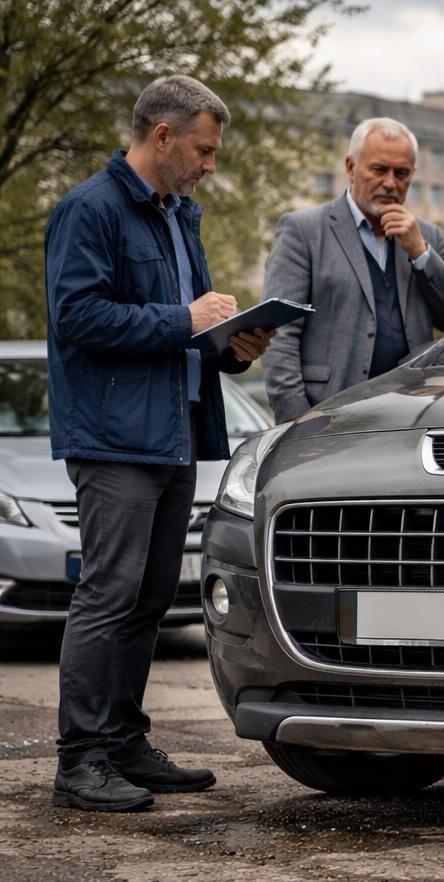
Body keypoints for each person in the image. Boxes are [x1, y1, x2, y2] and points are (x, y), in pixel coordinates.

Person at [45, 75, 273, 811]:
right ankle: (80, 760)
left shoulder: (180, 216)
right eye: (203, 150)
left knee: (147, 598)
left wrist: (236, 347)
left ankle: (123, 743)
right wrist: (184, 319)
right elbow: (76, 317)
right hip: (114, 439)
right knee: (107, 596)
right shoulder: (90, 209)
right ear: (163, 135)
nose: (210, 164)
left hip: (174, 433)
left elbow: (194, 331)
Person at [261, 117, 444, 421]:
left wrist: (421, 253)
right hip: (328, 416)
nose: (390, 183)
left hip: (411, 418)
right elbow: (279, 337)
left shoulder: (426, 235)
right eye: (379, 170)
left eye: (401, 173)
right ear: (351, 167)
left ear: (412, 175)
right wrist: (298, 424)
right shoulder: (304, 231)